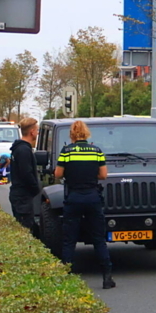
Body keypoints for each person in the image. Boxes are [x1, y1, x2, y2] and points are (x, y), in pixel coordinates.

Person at [55, 120, 115, 289]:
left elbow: (58, 173)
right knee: (98, 238)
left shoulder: (66, 151)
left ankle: (66, 277)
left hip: (73, 197)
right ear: (86, 133)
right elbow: (103, 175)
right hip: (92, 197)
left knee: (69, 239)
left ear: (72, 134)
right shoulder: (96, 151)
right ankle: (107, 277)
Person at [9, 117, 41, 231]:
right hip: (22, 197)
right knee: (26, 228)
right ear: (32, 132)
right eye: (37, 130)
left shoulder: (19, 149)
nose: (38, 133)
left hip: (20, 195)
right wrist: (36, 189)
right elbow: (26, 173)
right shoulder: (23, 150)